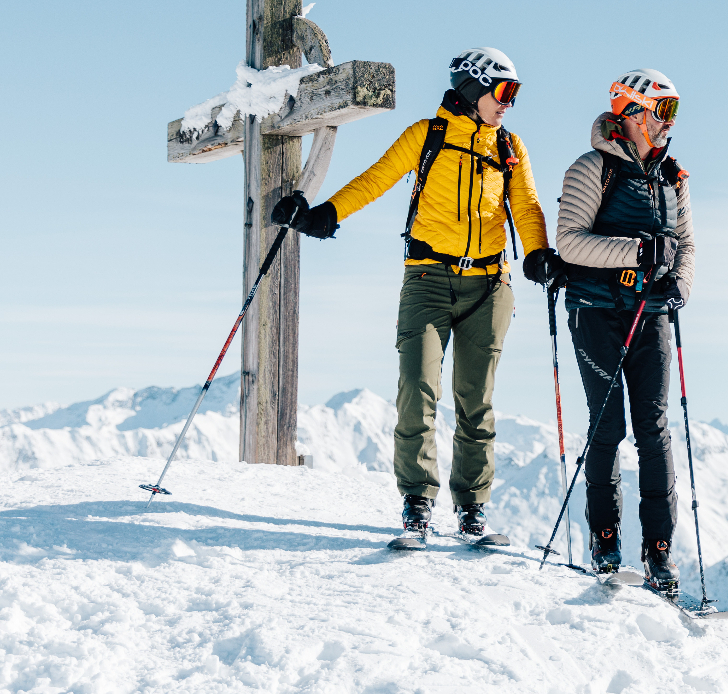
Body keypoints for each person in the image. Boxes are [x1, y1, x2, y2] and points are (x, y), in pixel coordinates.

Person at [272, 47, 557, 549]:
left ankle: (471, 509)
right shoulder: (427, 136)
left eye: (515, 93)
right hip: (426, 279)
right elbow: (377, 178)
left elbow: (528, 206)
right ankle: (417, 503)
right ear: (473, 87)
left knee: (477, 400)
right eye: (504, 90)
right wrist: (325, 215)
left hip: (490, 287)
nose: (509, 103)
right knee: (417, 389)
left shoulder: (509, 146)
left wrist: (538, 254)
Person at [555, 69, 695, 598]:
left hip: (653, 310)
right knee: (607, 424)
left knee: (654, 428)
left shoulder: (672, 177)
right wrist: (636, 252)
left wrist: (680, 280)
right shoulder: (590, 169)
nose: (669, 122)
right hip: (596, 310)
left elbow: (686, 242)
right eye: (664, 109)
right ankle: (605, 540)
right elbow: (570, 242)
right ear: (633, 112)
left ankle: (660, 552)